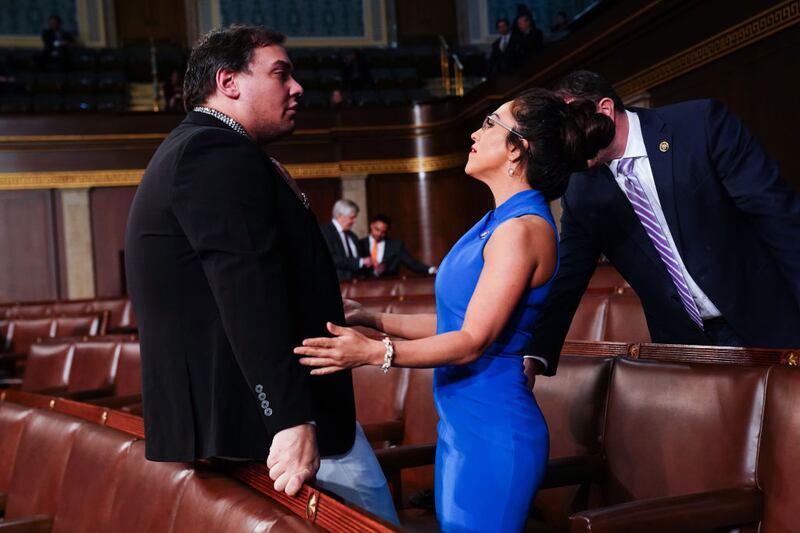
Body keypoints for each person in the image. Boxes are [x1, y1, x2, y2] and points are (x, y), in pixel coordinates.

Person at [295, 88, 614, 531]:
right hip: (461, 426)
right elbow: (456, 322)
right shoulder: (497, 222)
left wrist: (373, 352)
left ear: (516, 151)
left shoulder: (521, 230)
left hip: (494, 430)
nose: (474, 132)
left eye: (489, 124)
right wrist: (371, 317)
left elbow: (470, 342)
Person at [124, 25, 397, 523]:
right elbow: (247, 289)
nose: (297, 89)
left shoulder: (201, 148)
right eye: (280, 74)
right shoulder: (215, 152)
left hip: (256, 421)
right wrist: (290, 418)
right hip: (276, 427)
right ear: (229, 82)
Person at [524, 70, 800, 379]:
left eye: (571, 123)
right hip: (685, 350)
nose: (567, 140)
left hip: (767, 323)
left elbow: (777, 218)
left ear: (604, 110)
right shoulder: (581, 191)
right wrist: (536, 354)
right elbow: (569, 278)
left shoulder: (701, 125)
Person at [358, 214, 437, 277]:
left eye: (383, 232)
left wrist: (431, 270)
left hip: (388, 284)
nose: (379, 234)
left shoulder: (395, 245)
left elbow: (412, 263)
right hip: (364, 284)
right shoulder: (360, 244)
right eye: (377, 229)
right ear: (371, 225)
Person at [320, 199, 373, 281]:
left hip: (357, 284)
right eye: (352, 217)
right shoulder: (324, 232)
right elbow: (329, 259)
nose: (354, 221)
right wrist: (360, 262)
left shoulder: (353, 236)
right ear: (339, 215)